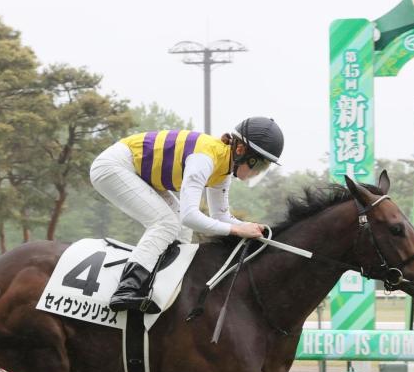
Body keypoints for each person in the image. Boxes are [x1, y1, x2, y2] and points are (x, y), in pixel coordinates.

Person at [89, 117, 284, 313]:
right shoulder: (205, 159)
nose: (258, 172)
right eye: (259, 165)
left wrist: (248, 226)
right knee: (166, 223)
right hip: (114, 166)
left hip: (139, 172)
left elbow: (220, 216)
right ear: (240, 150)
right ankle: (127, 288)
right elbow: (190, 216)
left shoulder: (224, 167)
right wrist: (237, 230)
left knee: (182, 229)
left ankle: (162, 285)